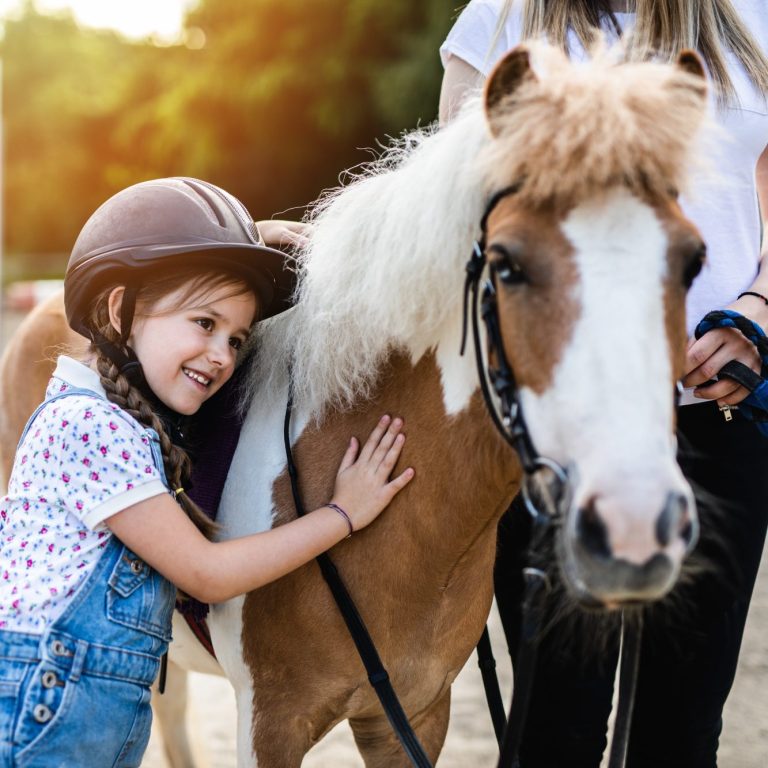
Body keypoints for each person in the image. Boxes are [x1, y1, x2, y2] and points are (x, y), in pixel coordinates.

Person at [440, 2, 768, 767]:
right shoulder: (500, 17)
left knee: (684, 730)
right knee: (555, 724)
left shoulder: (755, 16)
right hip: (558, 431)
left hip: (717, 416)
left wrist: (758, 309)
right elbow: (457, 213)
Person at [0, 177, 414, 767]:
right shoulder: (88, 426)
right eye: (203, 322)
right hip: (47, 715)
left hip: (89, 717)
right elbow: (208, 575)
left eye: (237, 338)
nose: (223, 354)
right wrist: (342, 515)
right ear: (120, 309)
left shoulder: (120, 428)